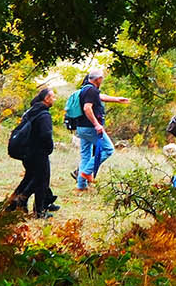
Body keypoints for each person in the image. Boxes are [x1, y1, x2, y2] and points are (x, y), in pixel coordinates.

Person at [7, 85, 59, 216]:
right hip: (38, 152)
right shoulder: (44, 115)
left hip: (26, 151)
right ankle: (36, 209)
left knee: (30, 177)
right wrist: (49, 148)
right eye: (53, 96)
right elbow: (46, 135)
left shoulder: (31, 111)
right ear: (47, 99)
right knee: (41, 179)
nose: (55, 99)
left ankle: (13, 203)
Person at [64, 71, 111, 191]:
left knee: (85, 155)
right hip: (90, 127)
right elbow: (87, 108)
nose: (102, 80)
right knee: (108, 149)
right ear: (98, 79)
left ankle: (81, 186)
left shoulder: (84, 89)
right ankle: (86, 172)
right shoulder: (92, 90)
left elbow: (100, 97)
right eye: (102, 78)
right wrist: (97, 125)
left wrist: (117, 99)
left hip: (81, 127)